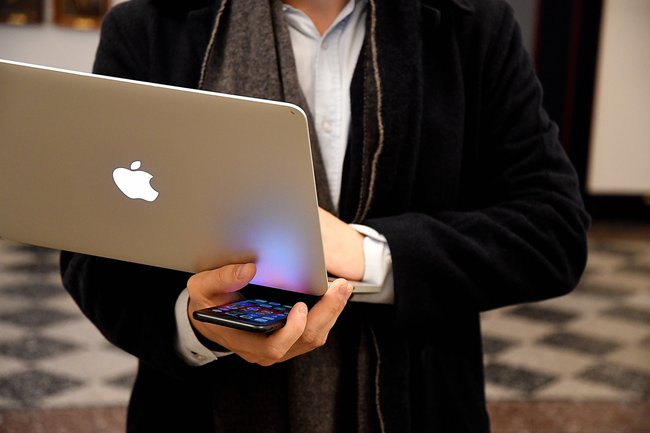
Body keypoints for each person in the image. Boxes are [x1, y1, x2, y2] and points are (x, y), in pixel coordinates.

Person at [60, 0, 591, 432]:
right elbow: (92, 251)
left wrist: (363, 253)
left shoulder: (470, 25)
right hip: (197, 411)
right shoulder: (150, 27)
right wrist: (194, 324)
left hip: (418, 406)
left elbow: (553, 229)